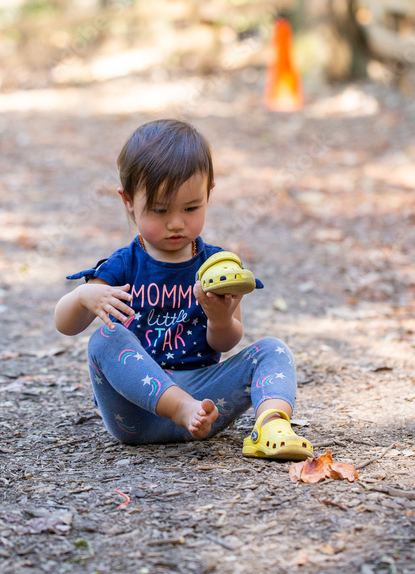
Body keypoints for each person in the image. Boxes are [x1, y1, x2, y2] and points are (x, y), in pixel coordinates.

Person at [54, 119, 313, 460]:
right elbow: (65, 325)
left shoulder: (216, 266)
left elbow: (224, 343)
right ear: (128, 200)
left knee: (272, 350)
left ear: (209, 193)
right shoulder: (123, 265)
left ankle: (272, 426)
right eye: (159, 210)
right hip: (136, 413)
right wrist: (82, 297)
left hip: (205, 408)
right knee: (104, 338)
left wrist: (221, 320)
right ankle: (178, 406)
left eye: (191, 208)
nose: (176, 223)